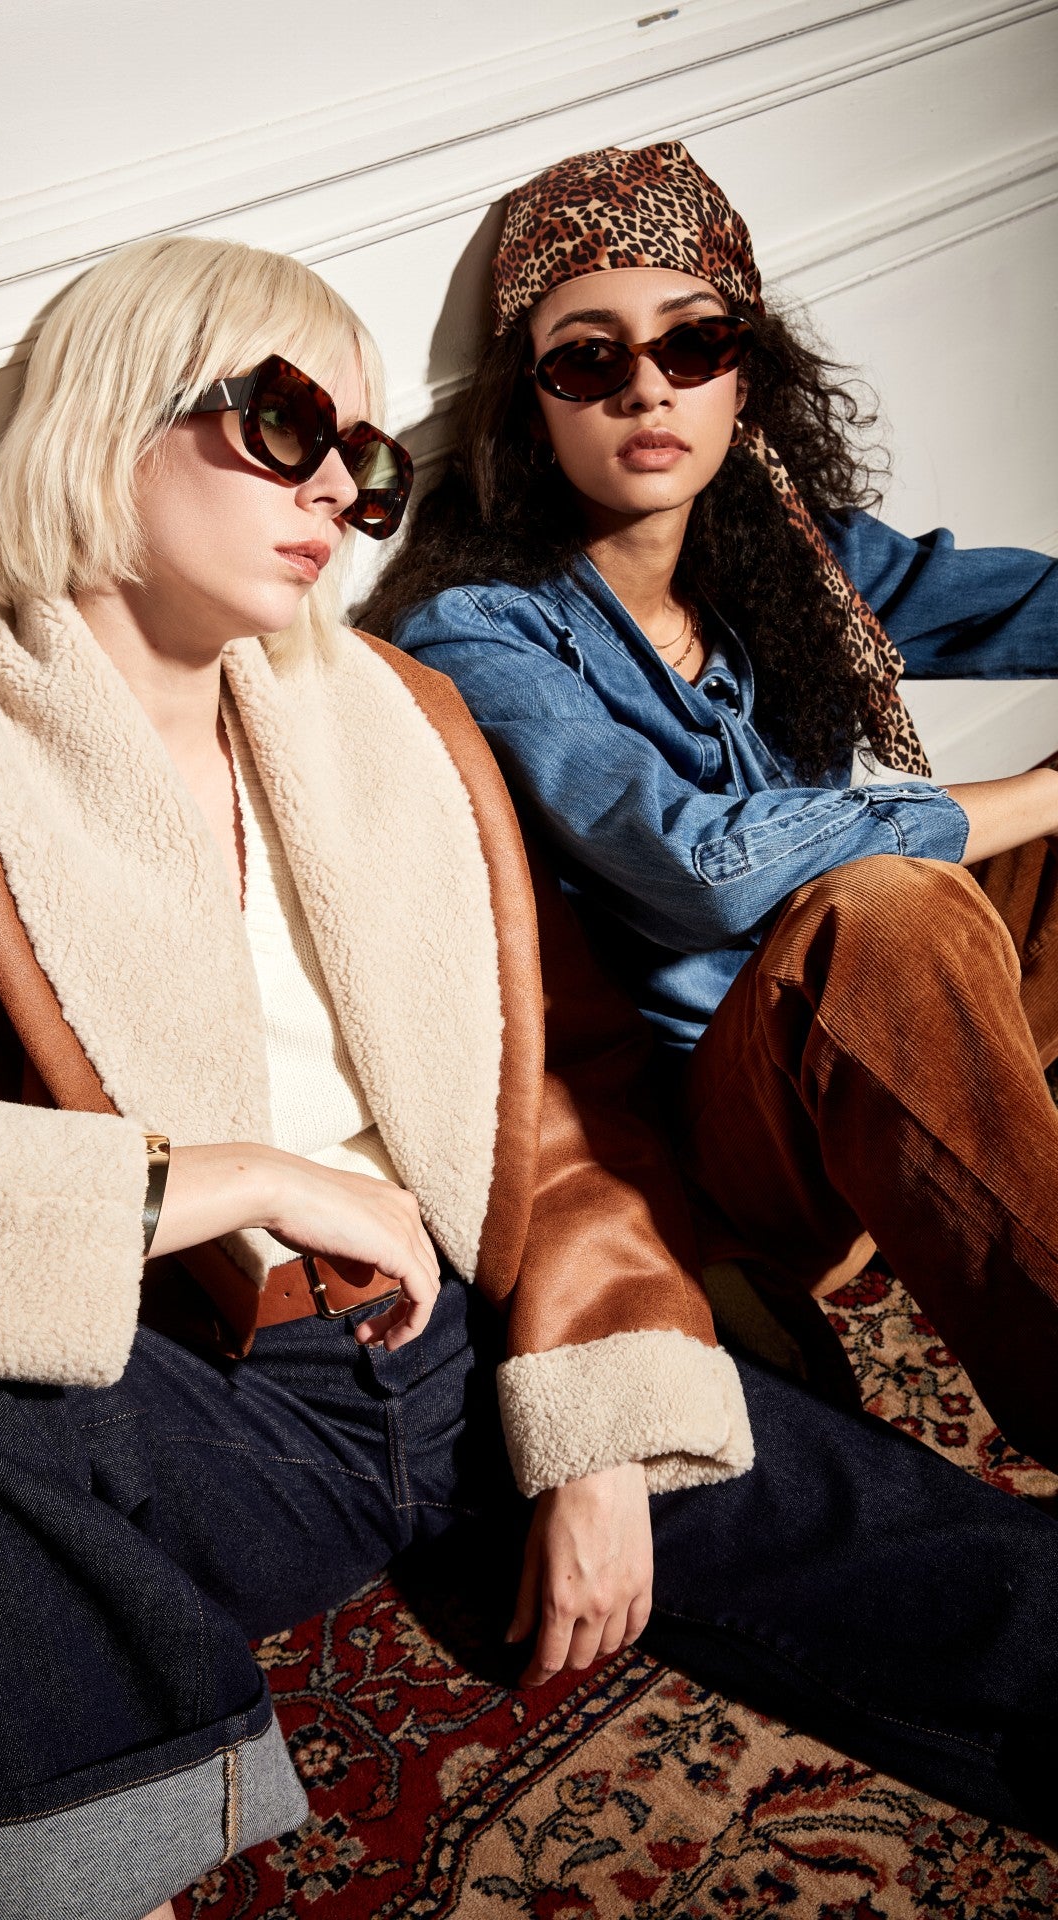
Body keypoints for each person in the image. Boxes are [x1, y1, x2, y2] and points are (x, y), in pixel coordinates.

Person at [0, 232, 1055, 1920]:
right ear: (108, 422)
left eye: (368, 461)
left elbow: (568, 1090)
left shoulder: (398, 721)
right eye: (286, 425)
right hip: (216, 1407)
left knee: (971, 1581)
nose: (338, 493)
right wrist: (237, 1181)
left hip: (472, 1345)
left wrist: (600, 1417)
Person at [366, 140, 1058, 1477]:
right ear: (529, 405)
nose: (648, 387)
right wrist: (1039, 792)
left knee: (909, 896)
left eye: (694, 343)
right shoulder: (482, 631)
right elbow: (702, 870)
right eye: (588, 359)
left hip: (887, 1045)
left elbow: (1026, 603)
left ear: (747, 374)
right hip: (724, 1130)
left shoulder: (788, 555)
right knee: (884, 907)